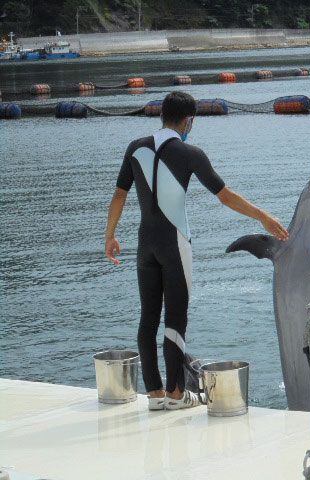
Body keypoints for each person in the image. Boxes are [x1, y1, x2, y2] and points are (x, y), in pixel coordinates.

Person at [105, 91, 289, 410]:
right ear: (189, 120)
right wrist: (265, 217)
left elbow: (119, 195)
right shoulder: (190, 153)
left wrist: (110, 236)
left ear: (162, 115)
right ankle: (177, 395)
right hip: (175, 244)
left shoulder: (135, 148)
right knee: (176, 317)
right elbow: (225, 196)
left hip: (145, 244)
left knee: (148, 317)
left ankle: (155, 395)